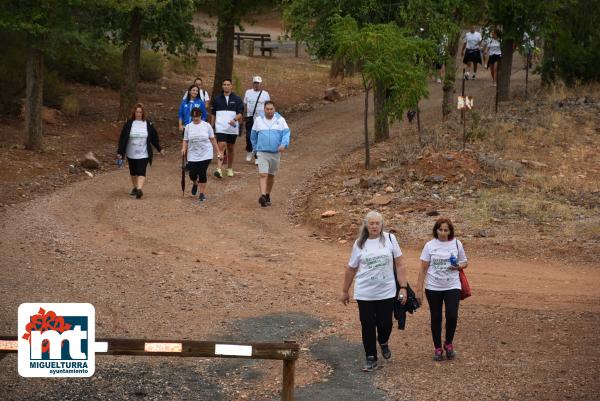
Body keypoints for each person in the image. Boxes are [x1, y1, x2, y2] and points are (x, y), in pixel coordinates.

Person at [341, 211, 408, 372]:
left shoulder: (390, 239)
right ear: (366, 225)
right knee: (367, 324)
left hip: (386, 291)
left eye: (377, 223)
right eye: (371, 223)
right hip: (365, 292)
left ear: (382, 224)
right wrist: (345, 290)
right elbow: (351, 268)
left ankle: (383, 341)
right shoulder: (359, 243)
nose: (374, 226)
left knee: (385, 323)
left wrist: (403, 287)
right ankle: (370, 357)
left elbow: (399, 264)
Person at [416, 217, 468, 361]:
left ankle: (449, 343)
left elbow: (464, 262)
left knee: (452, 315)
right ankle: (437, 348)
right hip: (433, 287)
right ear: (436, 230)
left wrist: (458, 266)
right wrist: (418, 290)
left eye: (446, 230)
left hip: (452, 285)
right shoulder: (430, 246)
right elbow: (423, 269)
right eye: (440, 230)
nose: (443, 233)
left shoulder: (457, 244)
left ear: (450, 231)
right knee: (436, 317)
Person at [117, 103, 165, 199]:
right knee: (133, 172)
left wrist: (159, 149)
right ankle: (135, 187)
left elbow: (154, 138)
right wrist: (120, 152)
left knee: (141, 171)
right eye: (137, 112)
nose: (138, 114)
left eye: (140, 112)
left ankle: (139, 189)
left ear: (143, 113)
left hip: (144, 153)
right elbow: (122, 138)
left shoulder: (148, 124)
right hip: (131, 153)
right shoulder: (129, 124)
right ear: (134, 113)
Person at [250, 101, 289, 207]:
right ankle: (262, 196)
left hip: (275, 153)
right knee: (263, 174)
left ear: (274, 109)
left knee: (271, 175)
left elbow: (286, 133)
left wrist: (283, 144)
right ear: (264, 109)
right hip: (262, 152)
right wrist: (255, 148)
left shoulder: (280, 120)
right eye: (267, 109)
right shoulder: (258, 120)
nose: (269, 111)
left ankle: (267, 195)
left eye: (271, 109)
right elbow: (253, 136)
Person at [181, 108, 222, 202]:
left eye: (197, 116)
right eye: (194, 116)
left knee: (202, 171)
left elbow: (212, 139)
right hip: (192, 154)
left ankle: (202, 193)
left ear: (201, 116)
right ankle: (195, 182)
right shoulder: (188, 127)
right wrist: (184, 148)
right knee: (192, 173)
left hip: (206, 153)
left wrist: (218, 151)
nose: (195, 118)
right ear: (191, 116)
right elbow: (185, 140)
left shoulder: (207, 126)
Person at [211, 78, 244, 178]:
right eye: (224, 84)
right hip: (220, 127)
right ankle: (219, 169)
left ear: (231, 86)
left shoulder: (237, 99)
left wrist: (234, 120)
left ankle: (229, 168)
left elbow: (240, 113)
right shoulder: (217, 99)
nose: (226, 86)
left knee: (230, 148)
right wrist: (212, 126)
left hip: (232, 128)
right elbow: (213, 114)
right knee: (221, 146)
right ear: (222, 86)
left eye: (228, 84)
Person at [243, 76, 271, 162]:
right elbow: (245, 104)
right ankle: (249, 150)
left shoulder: (265, 94)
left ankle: (257, 156)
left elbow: (268, 106)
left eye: (258, 83)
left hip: (261, 119)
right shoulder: (248, 92)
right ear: (253, 83)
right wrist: (245, 115)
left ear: (260, 84)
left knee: (259, 137)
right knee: (248, 136)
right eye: (255, 83)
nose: (256, 85)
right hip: (250, 118)